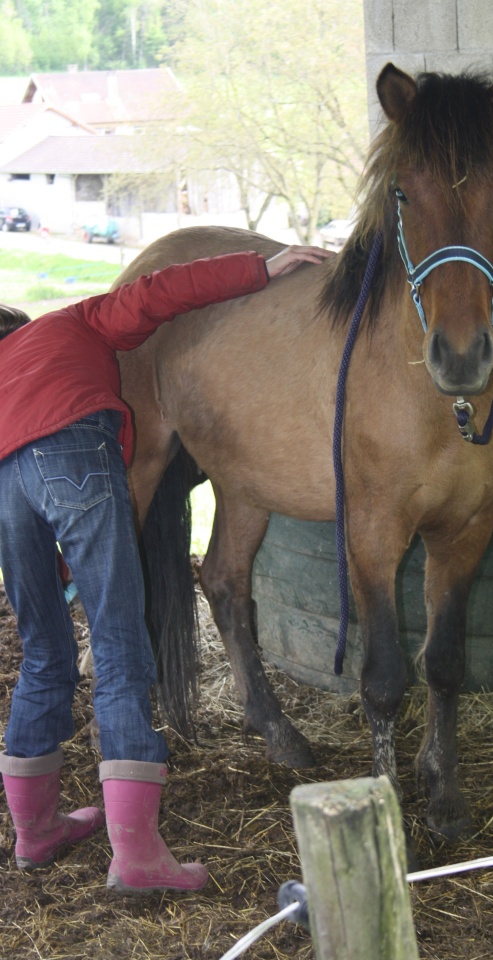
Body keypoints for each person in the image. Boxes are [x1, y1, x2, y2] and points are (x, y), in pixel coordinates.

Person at [0, 244, 333, 894]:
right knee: (121, 645)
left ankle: (35, 832)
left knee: (44, 650)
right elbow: (158, 293)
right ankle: (138, 857)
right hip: (75, 450)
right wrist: (261, 269)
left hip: (5, 481)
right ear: (23, 325)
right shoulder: (73, 321)